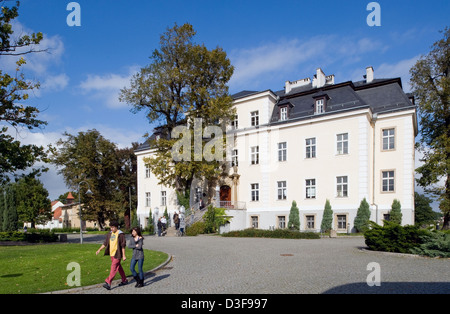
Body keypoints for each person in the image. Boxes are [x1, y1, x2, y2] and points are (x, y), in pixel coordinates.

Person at [96, 221, 128, 290]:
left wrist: (124, 255)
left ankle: (108, 282)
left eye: (113, 227)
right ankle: (124, 280)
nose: (111, 229)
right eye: (111, 227)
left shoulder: (120, 234)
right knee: (119, 267)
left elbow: (123, 246)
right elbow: (105, 243)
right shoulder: (109, 234)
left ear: (116, 227)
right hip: (112, 254)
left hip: (118, 254)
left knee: (113, 268)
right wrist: (99, 249)